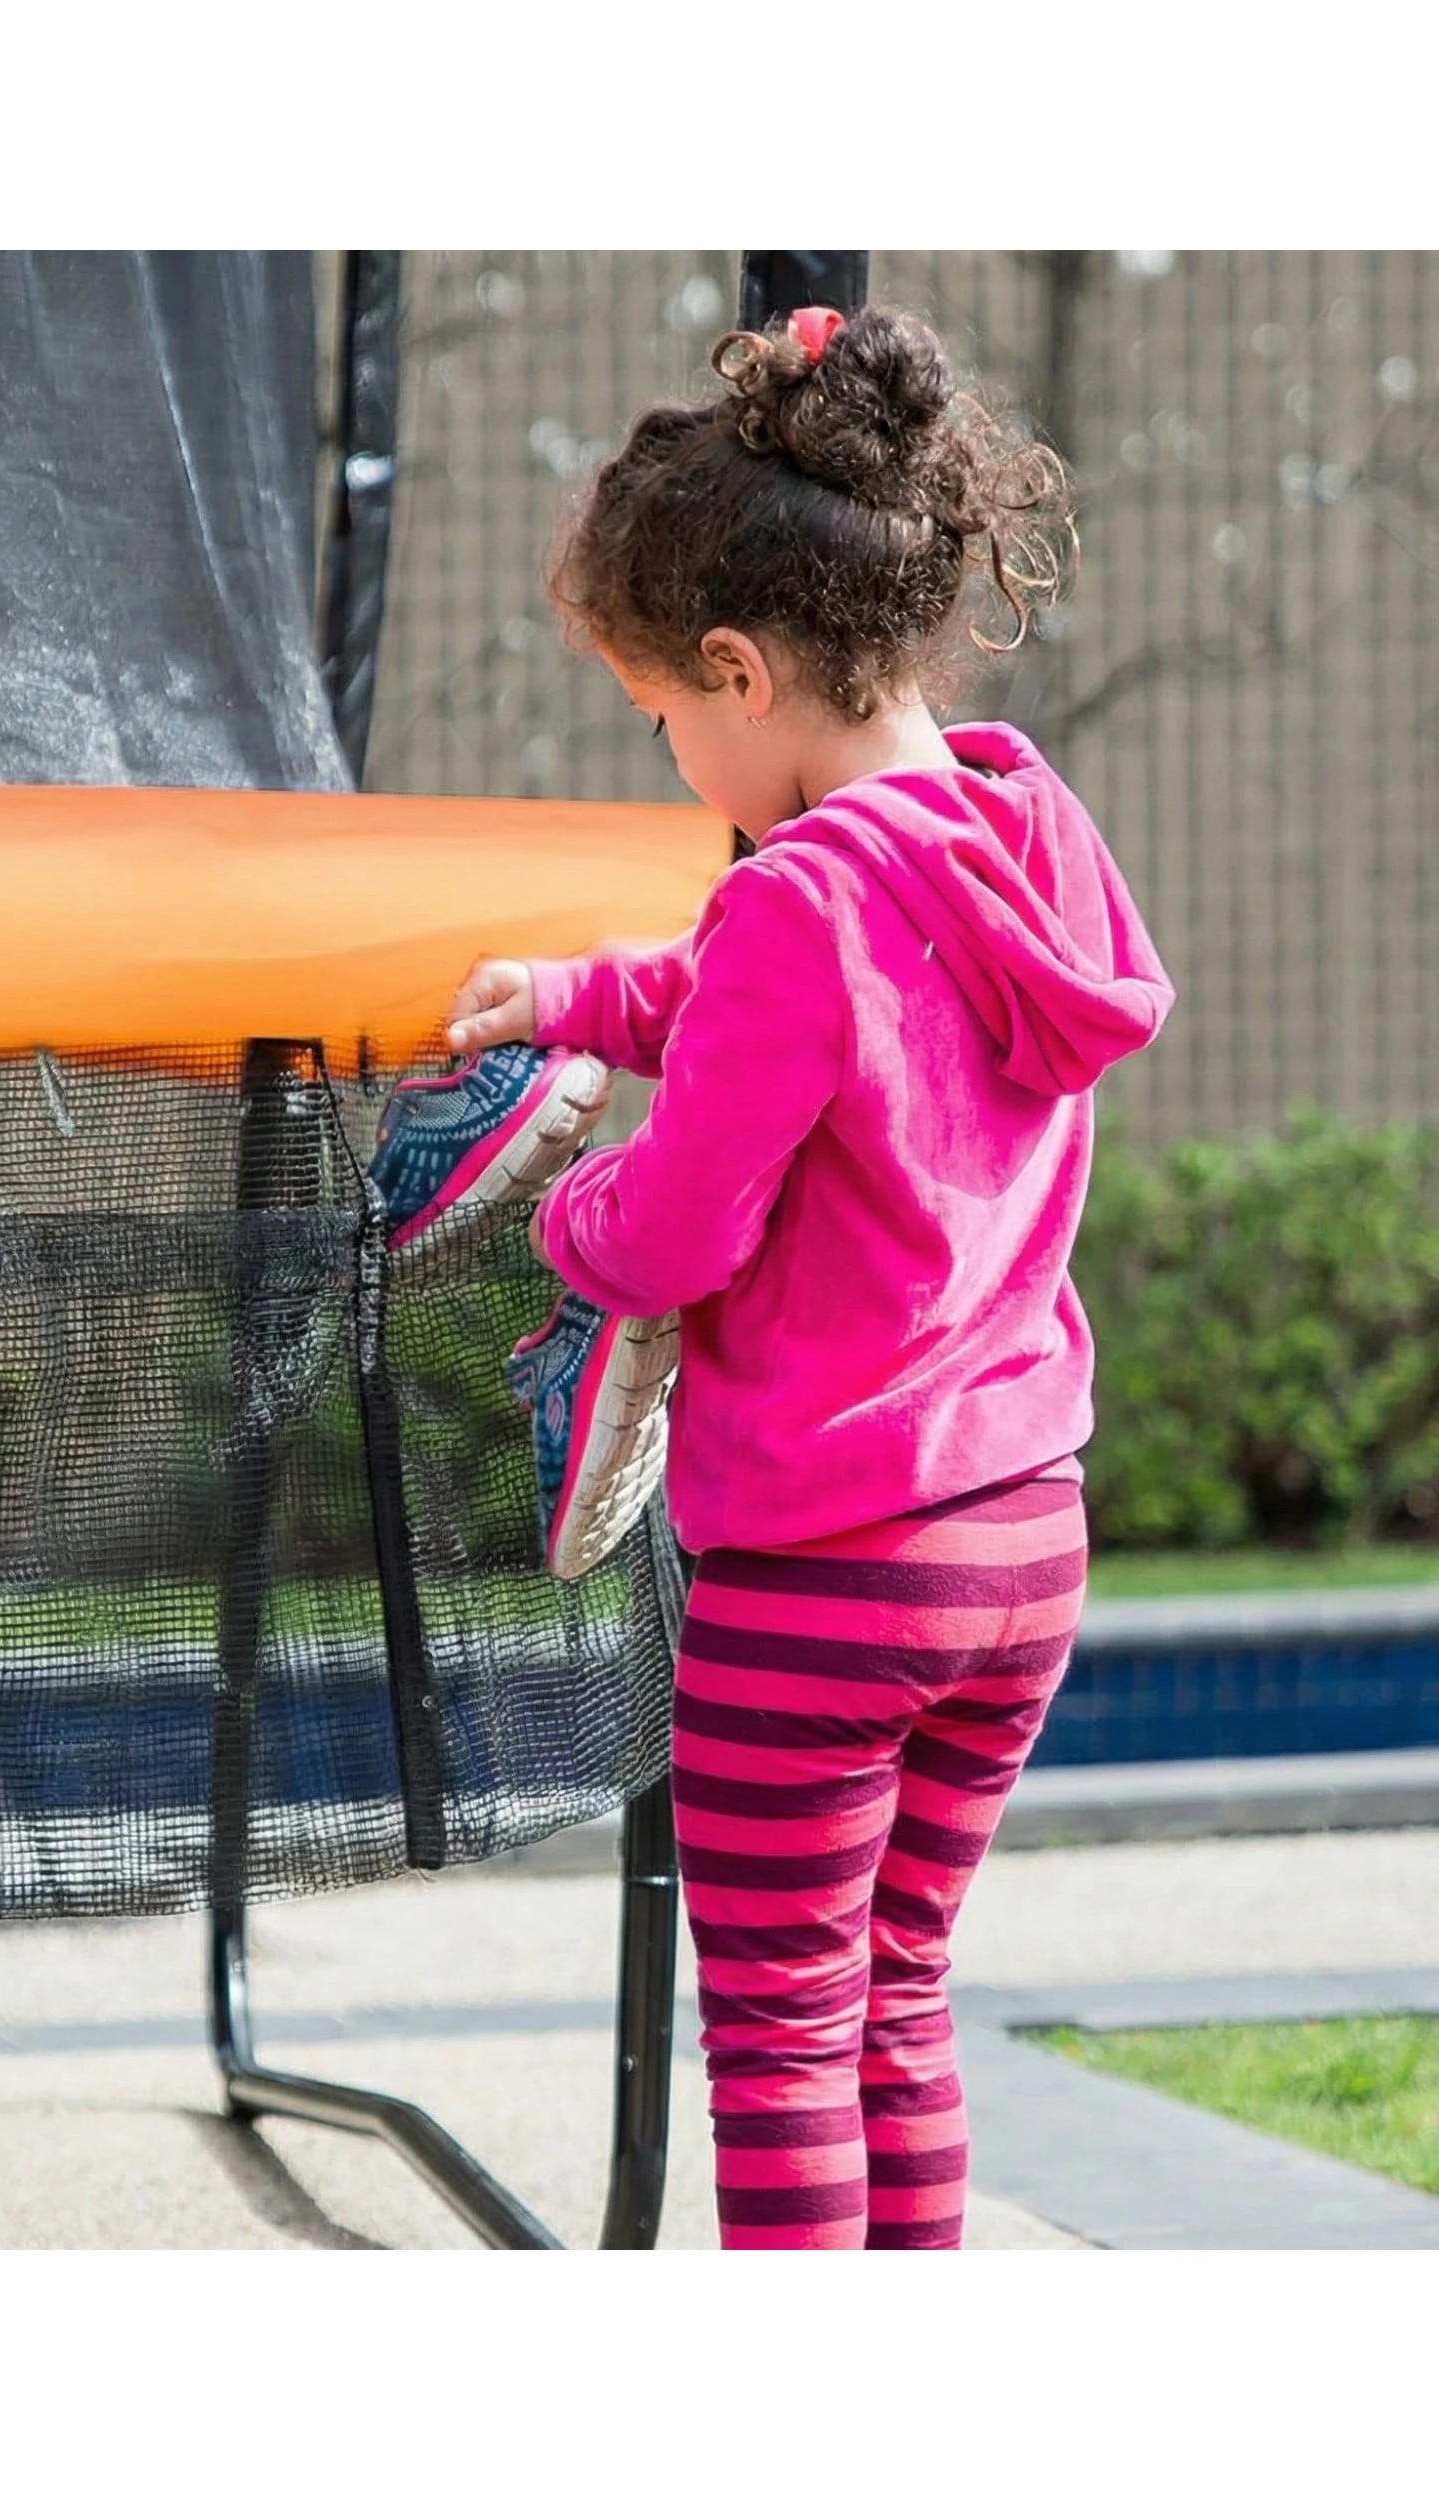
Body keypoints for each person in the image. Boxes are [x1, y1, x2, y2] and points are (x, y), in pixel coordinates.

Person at [391, 303, 1173, 2249]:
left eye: (662, 715)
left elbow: (676, 1225)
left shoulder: (791, 899)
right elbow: (786, 999)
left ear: (738, 671)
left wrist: (557, 1216)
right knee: (893, 2001)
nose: (669, 756)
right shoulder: (1013, 836)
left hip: (827, 1570)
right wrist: (577, 996)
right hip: (1019, 1537)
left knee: (777, 2034)